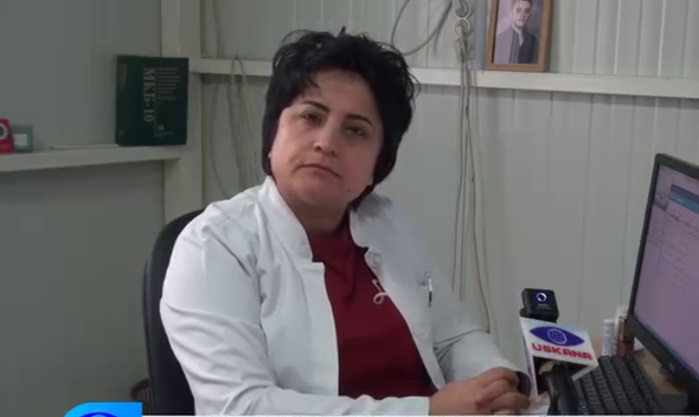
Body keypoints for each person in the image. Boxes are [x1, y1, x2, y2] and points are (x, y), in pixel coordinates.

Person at [159, 29, 531, 415]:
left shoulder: (391, 224)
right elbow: (242, 407)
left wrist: (498, 382)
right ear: (273, 134)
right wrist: (429, 412)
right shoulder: (214, 245)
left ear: (378, 166)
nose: (326, 142)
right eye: (310, 116)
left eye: (355, 130)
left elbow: (452, 337)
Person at [494, 0, 539, 64]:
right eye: (518, 10)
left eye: (526, 11)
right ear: (511, 13)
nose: (522, 15)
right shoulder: (500, 39)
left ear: (530, 16)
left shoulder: (534, 41)